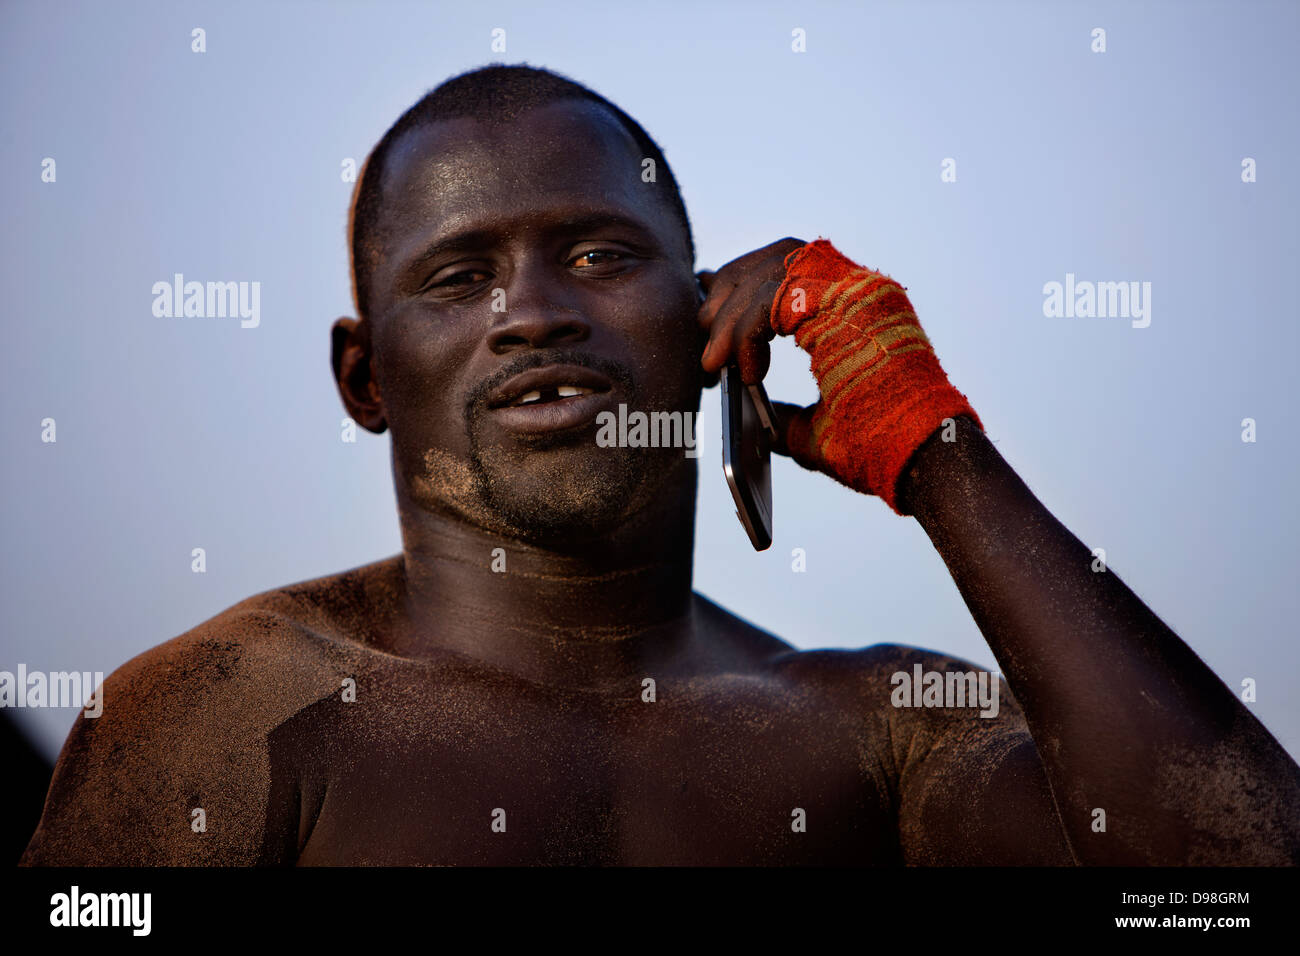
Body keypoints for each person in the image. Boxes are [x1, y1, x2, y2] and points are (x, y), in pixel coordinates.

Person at [21, 64, 1300, 866]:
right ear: (366, 379)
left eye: (597, 255)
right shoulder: (220, 709)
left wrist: (935, 447)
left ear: (711, 321)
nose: (531, 312)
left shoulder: (886, 726)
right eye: (458, 276)